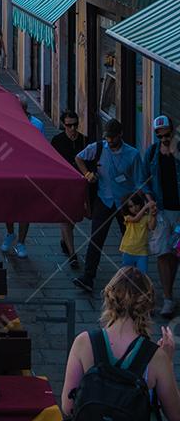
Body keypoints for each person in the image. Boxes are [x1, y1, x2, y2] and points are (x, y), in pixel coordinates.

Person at [61, 266, 180, 421]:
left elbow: (68, 406)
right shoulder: (155, 357)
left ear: (109, 297)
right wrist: (167, 360)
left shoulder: (84, 343)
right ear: (147, 306)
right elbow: (174, 414)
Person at [73, 119, 144, 294]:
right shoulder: (98, 148)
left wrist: (142, 204)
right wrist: (87, 173)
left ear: (120, 135)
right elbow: (78, 158)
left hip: (125, 204)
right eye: (107, 137)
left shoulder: (133, 154)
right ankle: (88, 277)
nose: (109, 141)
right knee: (96, 239)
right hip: (103, 200)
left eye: (113, 137)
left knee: (130, 242)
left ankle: (134, 280)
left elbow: (139, 181)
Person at [144, 115, 180, 316]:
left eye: (167, 135)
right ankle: (167, 298)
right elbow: (143, 180)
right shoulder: (151, 154)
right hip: (162, 211)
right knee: (163, 252)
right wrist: (149, 200)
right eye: (160, 136)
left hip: (179, 213)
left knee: (176, 253)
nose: (164, 139)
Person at [3, 99, 45, 259]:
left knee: (25, 208)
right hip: (10, 169)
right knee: (7, 206)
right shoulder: (7, 121)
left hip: (29, 171)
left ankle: (21, 242)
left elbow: (41, 148)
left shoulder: (37, 125)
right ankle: (10, 233)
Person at [51, 109, 88, 269]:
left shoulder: (85, 141)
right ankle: (73, 254)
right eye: (69, 125)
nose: (72, 129)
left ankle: (65, 240)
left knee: (73, 218)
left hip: (80, 187)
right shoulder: (57, 141)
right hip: (64, 186)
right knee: (65, 218)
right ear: (63, 125)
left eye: (75, 125)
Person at [120, 190, 156, 273]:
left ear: (140, 203)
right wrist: (145, 207)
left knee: (142, 275)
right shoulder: (128, 217)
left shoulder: (146, 217)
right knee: (127, 275)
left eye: (136, 204)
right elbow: (135, 219)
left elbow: (151, 227)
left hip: (142, 252)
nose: (134, 208)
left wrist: (153, 215)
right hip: (128, 250)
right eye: (130, 206)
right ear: (126, 208)